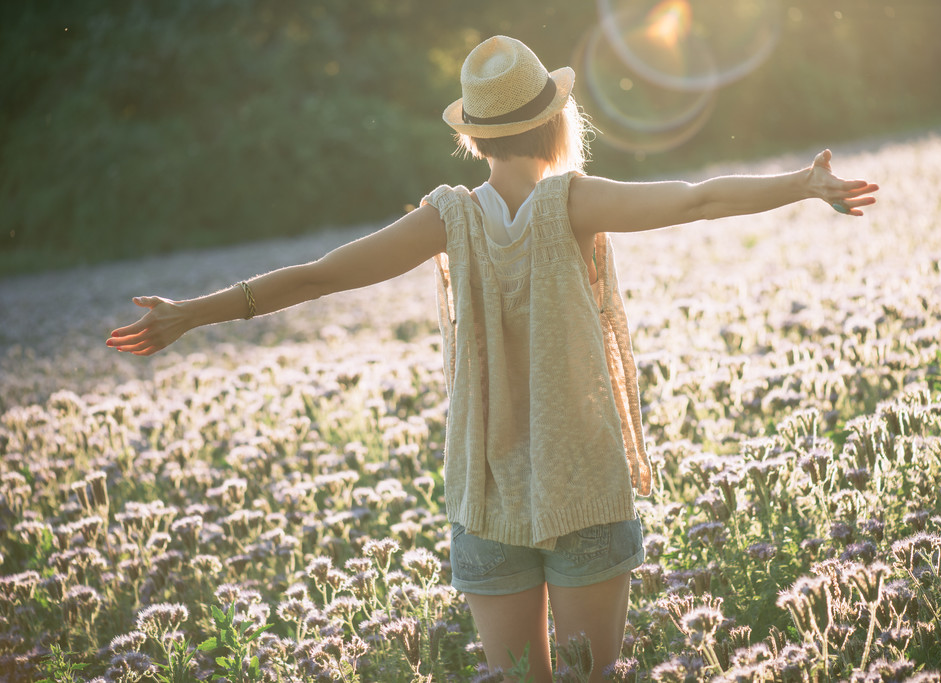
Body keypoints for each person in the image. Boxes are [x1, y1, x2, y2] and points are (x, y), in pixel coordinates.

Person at [107, 35, 877, 682]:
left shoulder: (446, 218)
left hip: (486, 493)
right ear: (555, 123)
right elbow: (693, 197)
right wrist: (803, 184)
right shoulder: (573, 199)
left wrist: (191, 314)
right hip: (583, 482)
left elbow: (319, 276)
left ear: (473, 135)